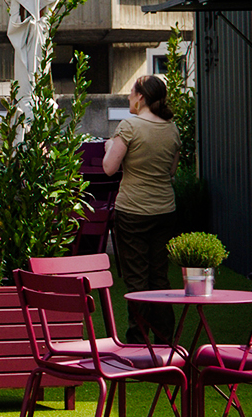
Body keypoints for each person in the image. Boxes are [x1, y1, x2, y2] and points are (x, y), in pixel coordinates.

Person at [103, 73, 180, 344]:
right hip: (164, 211)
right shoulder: (171, 129)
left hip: (133, 212)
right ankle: (165, 340)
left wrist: (108, 147)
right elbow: (171, 171)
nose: (127, 97)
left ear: (141, 96)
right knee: (159, 276)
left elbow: (109, 168)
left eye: (131, 92)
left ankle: (137, 342)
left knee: (137, 279)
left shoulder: (129, 126)